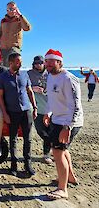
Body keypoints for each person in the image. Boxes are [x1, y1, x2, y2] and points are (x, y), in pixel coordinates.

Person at [43, 49, 83, 200]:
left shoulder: (68, 78)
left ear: (59, 62)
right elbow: (51, 98)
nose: (47, 64)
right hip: (57, 119)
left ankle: (62, 189)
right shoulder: (50, 76)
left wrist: (68, 127)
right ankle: (70, 177)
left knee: (57, 152)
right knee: (63, 150)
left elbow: (75, 105)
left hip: (69, 121)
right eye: (46, 61)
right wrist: (48, 112)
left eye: (50, 61)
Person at [0, 52, 37, 176]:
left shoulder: (24, 75)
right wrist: (4, 114)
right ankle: (13, 165)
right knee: (13, 139)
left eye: (21, 61)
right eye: (18, 61)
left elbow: (30, 92)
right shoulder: (2, 77)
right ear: (11, 63)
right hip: (12, 112)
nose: (20, 63)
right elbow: (0, 97)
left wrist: (34, 107)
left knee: (28, 139)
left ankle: (27, 164)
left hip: (26, 111)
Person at [27, 55, 52, 164]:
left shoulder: (50, 74)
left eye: (40, 63)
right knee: (41, 132)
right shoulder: (29, 74)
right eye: (36, 63)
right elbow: (22, 86)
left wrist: (45, 90)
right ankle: (51, 149)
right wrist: (32, 88)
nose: (38, 65)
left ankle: (47, 154)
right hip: (37, 108)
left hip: (51, 108)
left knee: (51, 133)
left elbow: (57, 88)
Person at [0, 1, 31, 67]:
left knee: (13, 66)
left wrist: (20, 15)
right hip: (3, 48)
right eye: (9, 9)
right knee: (4, 68)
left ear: (16, 9)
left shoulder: (19, 19)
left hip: (14, 47)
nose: (11, 11)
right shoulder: (3, 21)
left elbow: (27, 28)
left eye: (13, 9)